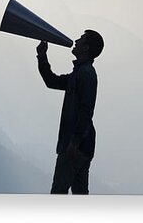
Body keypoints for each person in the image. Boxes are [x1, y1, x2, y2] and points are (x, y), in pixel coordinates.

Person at [36, 29, 104, 194]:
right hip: (83, 146)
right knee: (80, 193)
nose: (76, 40)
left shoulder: (85, 74)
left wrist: (74, 142)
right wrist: (42, 56)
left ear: (86, 48)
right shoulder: (80, 73)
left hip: (75, 146)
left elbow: (86, 111)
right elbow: (51, 81)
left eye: (81, 39)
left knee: (58, 192)